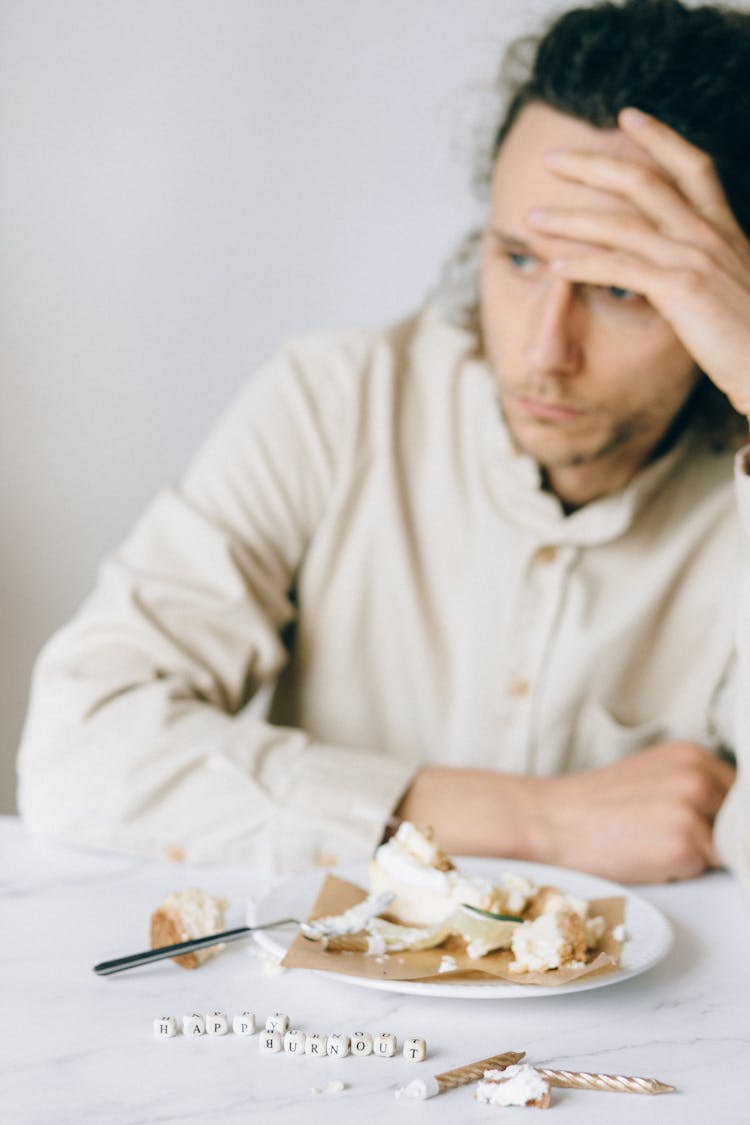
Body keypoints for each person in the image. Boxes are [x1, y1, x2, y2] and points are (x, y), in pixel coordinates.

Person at [17, 0, 750, 891]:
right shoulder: (336, 401)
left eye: (621, 289)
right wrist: (538, 819)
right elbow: (75, 748)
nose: (541, 352)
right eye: (519, 260)